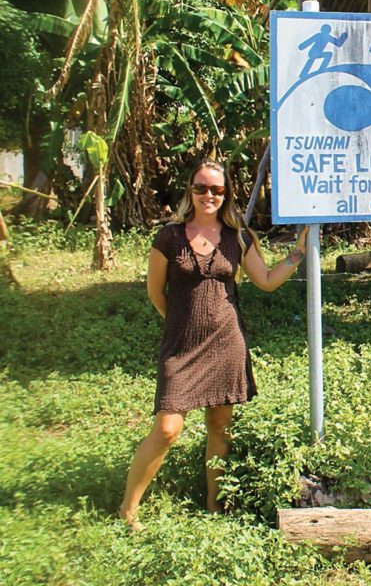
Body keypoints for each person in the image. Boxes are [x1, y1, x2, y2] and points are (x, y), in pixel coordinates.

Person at [118, 159, 309, 529]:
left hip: (227, 342)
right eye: (202, 188)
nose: (209, 195)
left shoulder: (238, 237)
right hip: (182, 347)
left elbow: (267, 280)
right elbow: (156, 292)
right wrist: (179, 325)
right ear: (190, 191)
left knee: (220, 426)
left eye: (217, 190)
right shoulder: (169, 237)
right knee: (167, 429)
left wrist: (298, 252)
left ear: (227, 195)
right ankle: (128, 509)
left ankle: (214, 507)